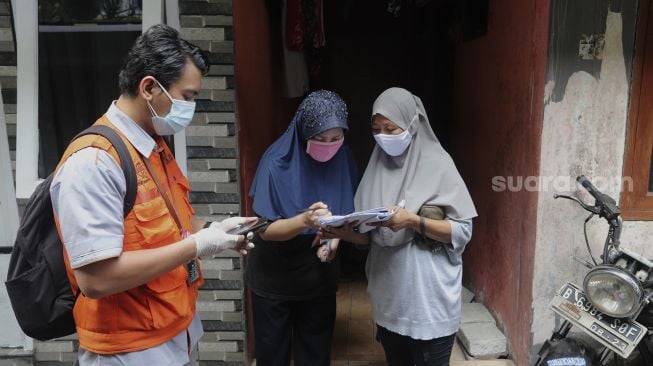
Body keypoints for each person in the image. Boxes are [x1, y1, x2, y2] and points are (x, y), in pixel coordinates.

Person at [50, 24, 255, 365]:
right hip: (129, 350)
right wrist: (198, 245)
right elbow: (96, 279)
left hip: (173, 333)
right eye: (187, 96)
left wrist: (216, 232)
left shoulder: (152, 148)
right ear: (149, 87)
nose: (191, 107)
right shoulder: (95, 161)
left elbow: (173, 225)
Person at [329, 87, 477, 366]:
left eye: (391, 128)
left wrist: (412, 220)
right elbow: (368, 237)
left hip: (428, 298)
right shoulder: (376, 168)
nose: (383, 136)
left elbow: (462, 231)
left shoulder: (440, 165)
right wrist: (343, 232)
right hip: (390, 295)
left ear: (412, 124)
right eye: (376, 129)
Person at [246, 90, 358, 366]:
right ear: (302, 132)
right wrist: (304, 221)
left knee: (316, 353)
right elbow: (264, 230)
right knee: (274, 356)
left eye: (336, 138)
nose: (329, 146)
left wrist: (334, 242)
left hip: (319, 270)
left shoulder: (343, 157)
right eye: (320, 139)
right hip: (274, 272)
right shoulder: (275, 162)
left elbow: (344, 210)